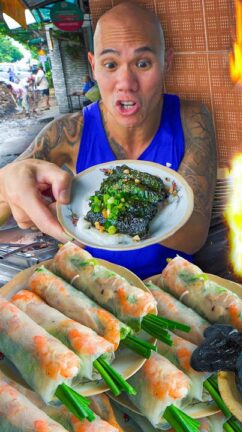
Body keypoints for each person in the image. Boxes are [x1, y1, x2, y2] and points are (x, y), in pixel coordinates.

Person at [0, 2, 217, 279]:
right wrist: (7, 181)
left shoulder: (192, 118)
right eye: (111, 64)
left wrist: (113, 211)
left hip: (175, 286)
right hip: (97, 289)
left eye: (142, 63)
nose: (125, 82)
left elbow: (194, 233)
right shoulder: (68, 132)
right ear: (93, 66)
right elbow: (9, 196)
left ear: (166, 63)